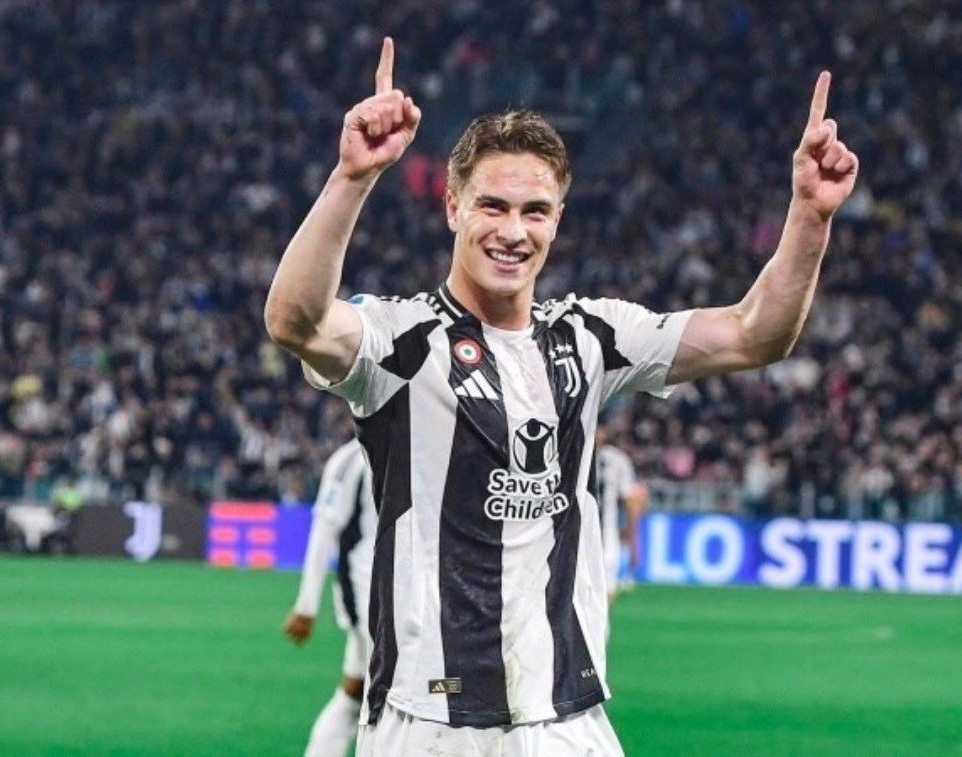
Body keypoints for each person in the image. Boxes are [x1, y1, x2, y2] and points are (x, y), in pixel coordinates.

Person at [264, 37, 857, 756]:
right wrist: (352, 177)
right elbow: (294, 321)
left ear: (558, 219)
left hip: (569, 723)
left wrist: (810, 217)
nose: (513, 232)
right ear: (452, 207)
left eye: (535, 211)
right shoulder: (403, 340)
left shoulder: (591, 336)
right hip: (430, 724)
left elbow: (754, 333)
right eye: (493, 206)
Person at [283, 437, 377, 757]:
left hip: (405, 597)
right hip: (366, 595)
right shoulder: (351, 459)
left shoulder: (416, 448)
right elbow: (324, 530)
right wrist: (306, 607)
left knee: (354, 693)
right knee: (391, 694)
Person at [594, 421, 647, 604]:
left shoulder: (616, 460)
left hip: (606, 535)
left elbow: (632, 501)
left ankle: (602, 622)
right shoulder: (569, 453)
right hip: (572, 536)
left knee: (606, 590)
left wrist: (634, 543)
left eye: (599, 429)